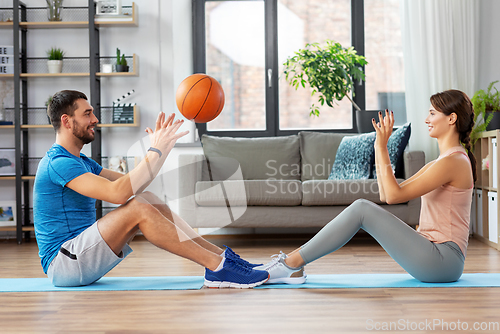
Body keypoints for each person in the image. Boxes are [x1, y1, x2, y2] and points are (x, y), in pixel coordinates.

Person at [33, 90, 268, 288]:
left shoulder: (82, 162)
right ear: (66, 121)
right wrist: (153, 151)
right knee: (140, 209)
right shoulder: (58, 163)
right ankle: (218, 268)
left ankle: (222, 259)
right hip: (64, 264)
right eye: (87, 114)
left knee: (147, 199)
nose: (95, 119)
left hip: (79, 256)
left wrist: (161, 150)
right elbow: (119, 194)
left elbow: (134, 185)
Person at [256, 89, 475, 284]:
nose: (427, 119)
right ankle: (292, 263)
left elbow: (392, 196)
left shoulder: (453, 162)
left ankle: (291, 264)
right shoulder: (442, 162)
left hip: (443, 261)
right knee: (362, 208)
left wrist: (380, 145)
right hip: (432, 253)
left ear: (451, 118)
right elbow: (385, 191)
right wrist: (380, 145)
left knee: (361, 208)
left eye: (433, 113)